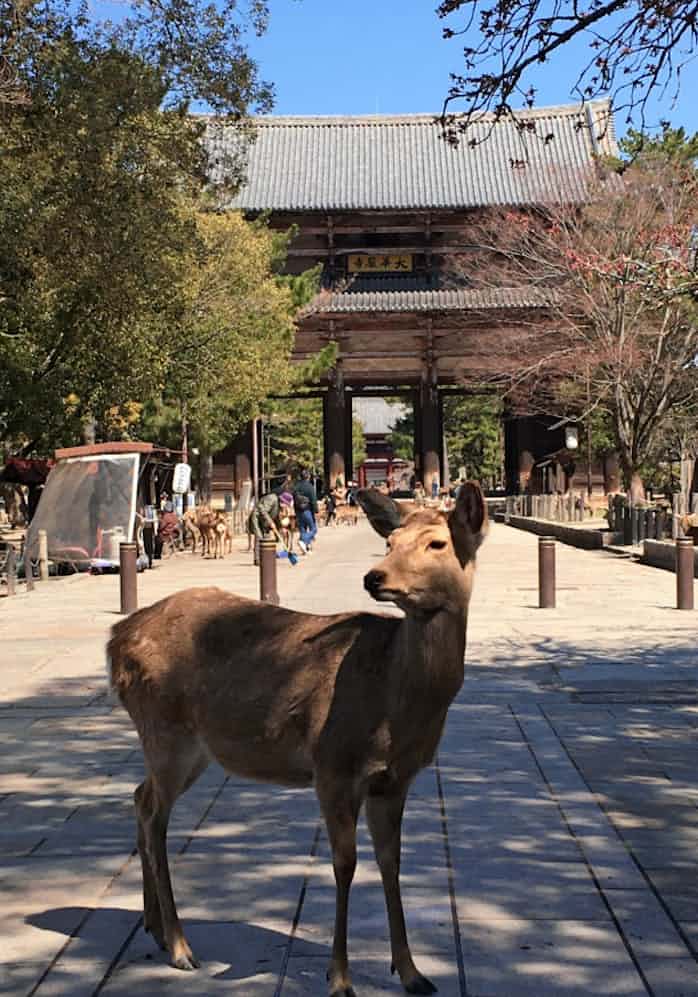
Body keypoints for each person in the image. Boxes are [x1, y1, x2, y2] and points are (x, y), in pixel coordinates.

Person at [247, 491, 282, 564]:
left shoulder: (278, 504)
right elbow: (262, 509)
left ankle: (263, 557)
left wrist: (274, 525)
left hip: (263, 521)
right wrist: (270, 522)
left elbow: (275, 516)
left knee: (264, 538)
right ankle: (257, 559)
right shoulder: (272, 498)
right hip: (257, 517)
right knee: (259, 537)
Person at [294, 468, 318, 553]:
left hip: (298, 511)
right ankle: (303, 541)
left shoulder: (296, 486)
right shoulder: (310, 487)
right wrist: (316, 510)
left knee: (302, 529)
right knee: (313, 529)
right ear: (308, 476)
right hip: (308, 510)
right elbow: (313, 500)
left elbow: (294, 499)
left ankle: (306, 547)